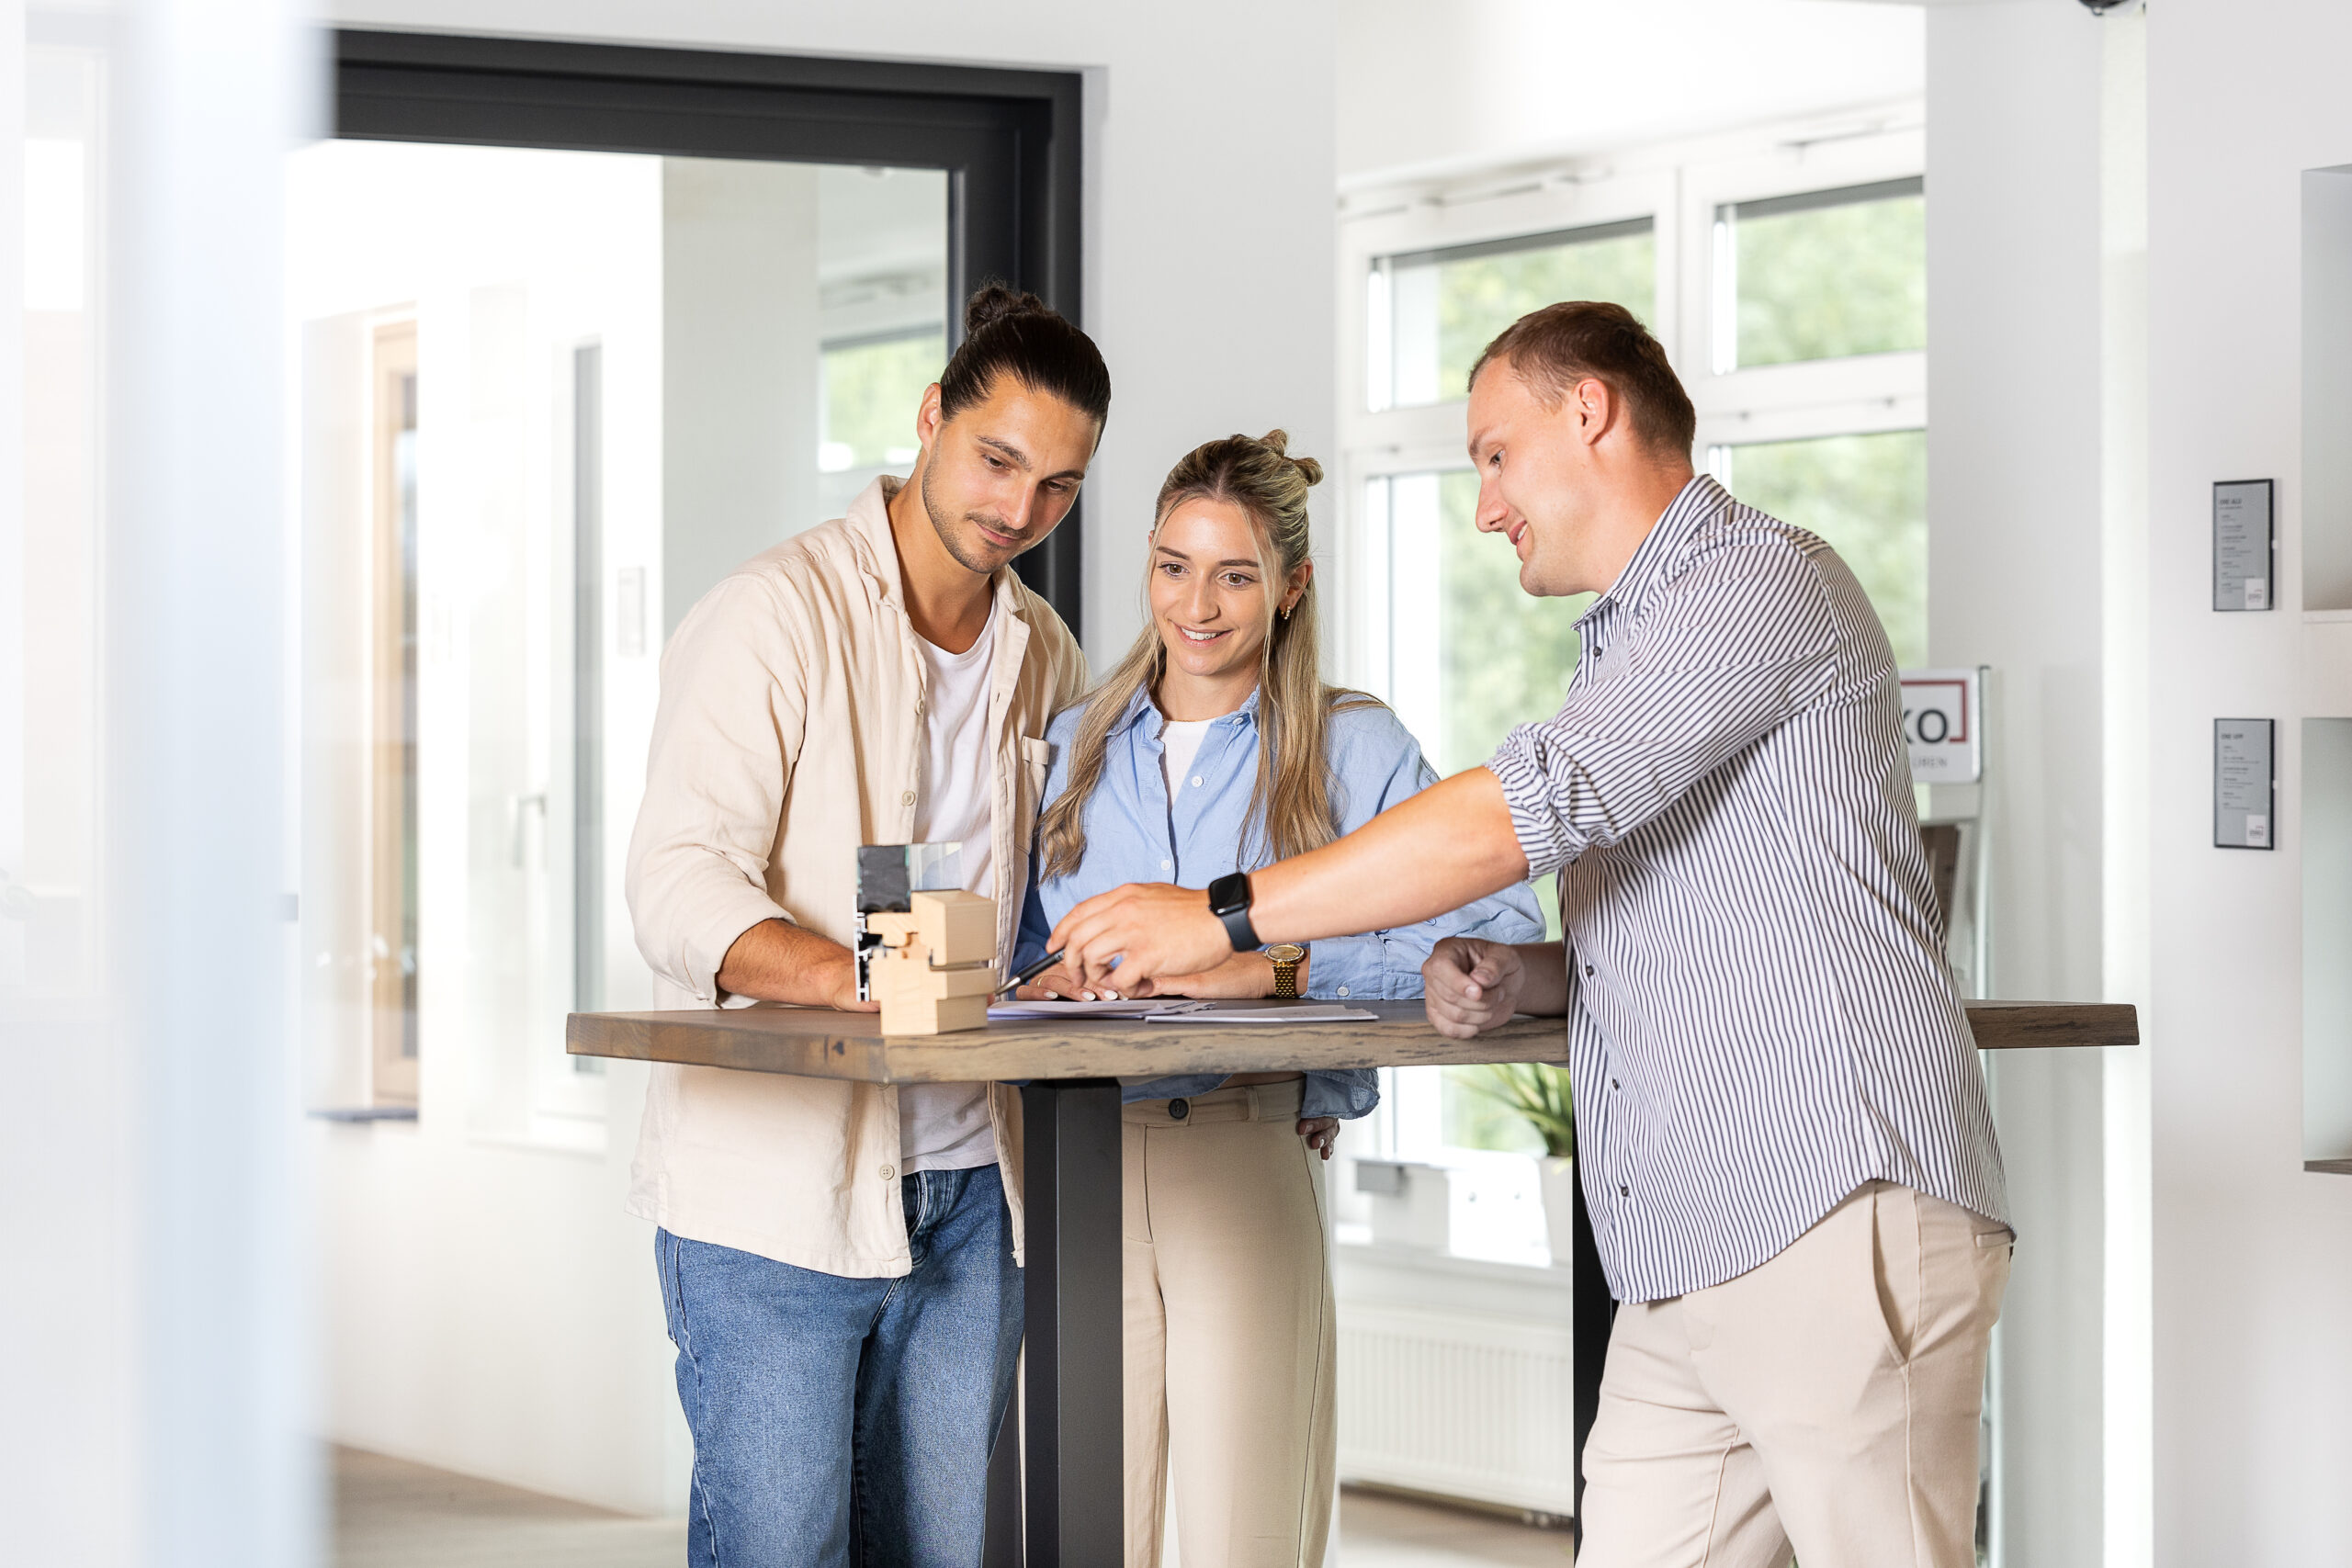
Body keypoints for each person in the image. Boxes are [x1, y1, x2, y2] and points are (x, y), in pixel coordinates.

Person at [1043, 302, 2012, 1568]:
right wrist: (1529, 970)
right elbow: (1689, 910)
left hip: (1831, 1205)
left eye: (1495, 453)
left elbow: (1523, 810)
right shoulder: (1631, 639)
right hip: (1690, 1239)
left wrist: (1223, 915)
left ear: (1589, 411)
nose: (1486, 502)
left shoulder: (1756, 582)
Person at [623, 284, 1104, 1567]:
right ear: (931, 415)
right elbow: (674, 882)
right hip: (772, 1190)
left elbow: (1045, 893)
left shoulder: (1042, 650)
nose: (1016, 509)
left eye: (1056, 487)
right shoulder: (775, 613)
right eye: (996, 459)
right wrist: (871, 976)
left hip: (966, 1185)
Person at [1010, 431, 1542, 1568]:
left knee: (1246, 1536)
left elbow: (1494, 937)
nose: (1195, 604)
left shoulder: (1352, 747)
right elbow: (1011, 957)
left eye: (1235, 574)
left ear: (1291, 587)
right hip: (1075, 1162)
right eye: (1171, 566)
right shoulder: (1069, 750)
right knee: (1086, 1536)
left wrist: (1276, 968)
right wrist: (1042, 977)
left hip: (1244, 1151)